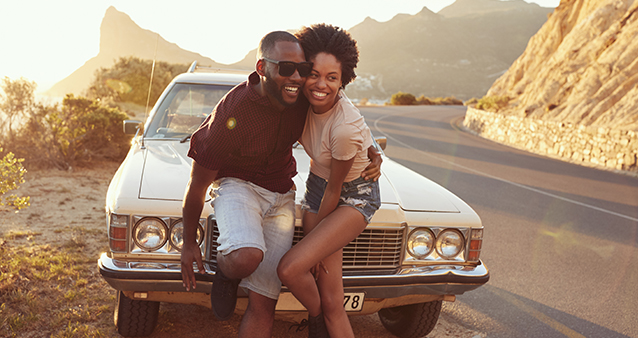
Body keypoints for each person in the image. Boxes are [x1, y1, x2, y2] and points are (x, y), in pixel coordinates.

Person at [180, 31, 381, 338]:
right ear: (263, 68)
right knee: (254, 260)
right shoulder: (234, 112)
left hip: (299, 194)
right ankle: (228, 269)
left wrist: (372, 151)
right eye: (289, 69)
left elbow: (344, 115)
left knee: (280, 301)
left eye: (302, 70)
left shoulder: (306, 93)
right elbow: (197, 185)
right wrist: (189, 242)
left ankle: (317, 323)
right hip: (252, 186)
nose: (300, 78)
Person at [277, 24, 380, 338]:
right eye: (315, 74)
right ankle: (320, 320)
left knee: (291, 268)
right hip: (317, 189)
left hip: (351, 197)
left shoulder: (344, 127)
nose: (321, 85)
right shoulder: (302, 102)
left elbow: (337, 189)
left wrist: (315, 248)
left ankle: (316, 319)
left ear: (343, 79)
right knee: (333, 298)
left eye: (332, 78)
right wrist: (375, 149)